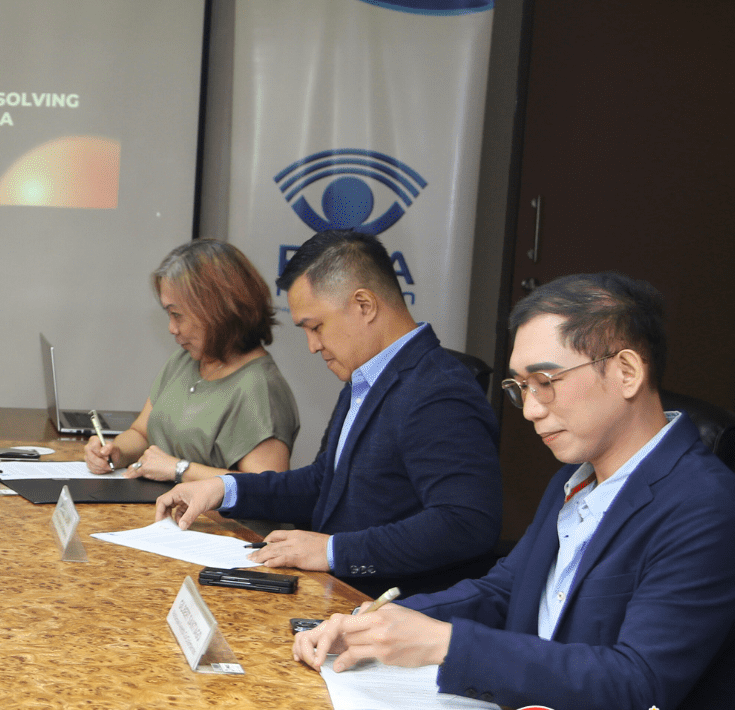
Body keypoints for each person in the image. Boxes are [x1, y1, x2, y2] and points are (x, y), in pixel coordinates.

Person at [294, 274, 735, 710]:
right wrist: (377, 622)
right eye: (521, 388)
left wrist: (447, 644)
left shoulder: (707, 507)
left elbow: (637, 686)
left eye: (546, 381)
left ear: (626, 371)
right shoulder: (574, 479)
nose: (531, 409)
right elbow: (504, 590)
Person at [152, 229, 500, 597]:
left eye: (316, 327)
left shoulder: (439, 390)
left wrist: (333, 551)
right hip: (331, 592)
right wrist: (224, 488)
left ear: (364, 305)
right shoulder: (366, 376)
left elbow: (466, 523)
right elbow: (324, 484)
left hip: (386, 607)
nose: (313, 345)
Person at [84, 239, 300, 482]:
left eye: (177, 315)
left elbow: (265, 489)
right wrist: (115, 451)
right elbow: (142, 433)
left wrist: (179, 469)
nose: (171, 328)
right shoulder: (185, 361)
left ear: (218, 309)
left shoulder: (260, 388)